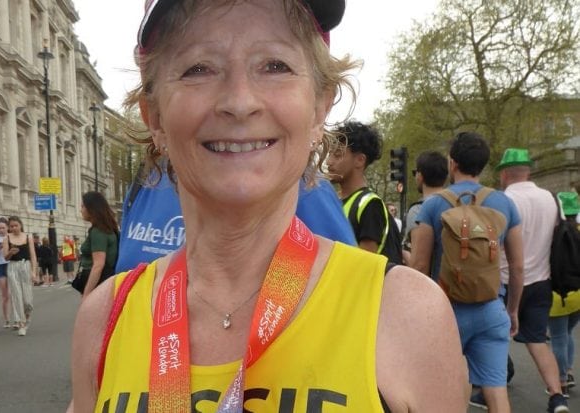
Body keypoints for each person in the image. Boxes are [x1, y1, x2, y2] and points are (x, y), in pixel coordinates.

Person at [69, 1, 467, 412]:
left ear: (319, 108)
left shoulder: (405, 312)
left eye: (275, 65)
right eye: (198, 68)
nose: (240, 102)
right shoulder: (105, 318)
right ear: (153, 117)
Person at [410, 133, 525, 413]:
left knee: (445, 390)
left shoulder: (433, 205)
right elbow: (518, 265)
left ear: (452, 163)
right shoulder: (504, 204)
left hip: (446, 313)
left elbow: (419, 266)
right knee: (496, 391)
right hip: (490, 308)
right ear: (483, 165)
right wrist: (512, 310)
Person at [115, 167, 357, 273]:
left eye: (274, 68)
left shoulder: (304, 186)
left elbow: (347, 298)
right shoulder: (145, 181)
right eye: (196, 71)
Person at [494, 148, 568, 410]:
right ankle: (556, 395)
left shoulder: (502, 201)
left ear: (504, 174)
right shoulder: (550, 199)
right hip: (541, 280)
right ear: (529, 171)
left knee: (495, 340)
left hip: (505, 280)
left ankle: (492, 392)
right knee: (537, 341)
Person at [326, 121, 402, 263]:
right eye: (329, 154)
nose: (329, 161)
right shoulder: (333, 201)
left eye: (337, 155)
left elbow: (362, 265)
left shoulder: (370, 205)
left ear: (360, 160)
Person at [549, 191, 580, 396]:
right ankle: (568, 372)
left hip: (559, 293)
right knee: (568, 332)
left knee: (558, 336)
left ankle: (561, 380)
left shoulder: (556, 233)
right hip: (579, 292)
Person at [401, 151, 448, 264]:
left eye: (415, 173)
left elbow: (418, 263)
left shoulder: (418, 209)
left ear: (420, 176)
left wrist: (402, 252)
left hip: (432, 279)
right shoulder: (456, 204)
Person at [78, 191, 119, 296]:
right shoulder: (108, 229)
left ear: (91, 209)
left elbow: (98, 265)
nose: (80, 210)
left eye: (83, 207)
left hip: (99, 282)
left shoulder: (98, 231)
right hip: (105, 280)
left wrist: (86, 294)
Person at [2, 216, 36, 336]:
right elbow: (5, 257)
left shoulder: (28, 237)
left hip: (25, 266)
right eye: (11, 226)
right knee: (16, 296)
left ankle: (27, 317)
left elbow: (33, 256)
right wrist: (10, 252)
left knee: (28, 300)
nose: (14, 228)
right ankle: (21, 324)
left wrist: (34, 272)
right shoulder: (6, 238)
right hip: (13, 267)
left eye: (16, 225)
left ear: (20, 225)